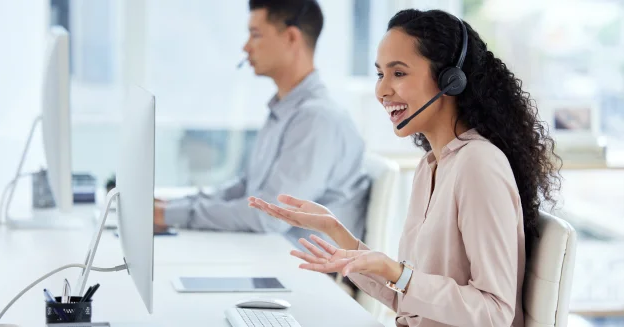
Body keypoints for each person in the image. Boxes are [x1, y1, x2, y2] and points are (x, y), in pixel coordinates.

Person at [249, 8, 562, 327]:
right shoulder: (431, 166)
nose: (382, 90)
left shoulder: (479, 165)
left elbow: (494, 312)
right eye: (380, 74)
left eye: (398, 73)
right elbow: (409, 298)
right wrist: (335, 230)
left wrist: (397, 273)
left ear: (449, 80)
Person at [155, 0, 371, 249]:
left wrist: (168, 216)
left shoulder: (316, 119)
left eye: (255, 35)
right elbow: (246, 189)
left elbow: (269, 216)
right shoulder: (284, 110)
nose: (246, 47)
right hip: (272, 252)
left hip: (303, 270)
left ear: (291, 37)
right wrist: (170, 207)